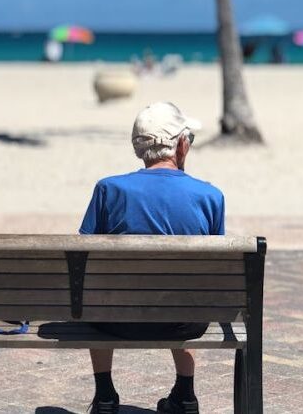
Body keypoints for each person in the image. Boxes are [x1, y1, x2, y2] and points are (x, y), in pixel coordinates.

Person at [80, 102, 225, 414]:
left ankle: (105, 395)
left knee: (97, 292)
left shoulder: (109, 189)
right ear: (182, 145)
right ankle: (185, 393)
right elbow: (215, 271)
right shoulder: (210, 197)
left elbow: (83, 255)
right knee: (187, 289)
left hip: (116, 322)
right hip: (185, 324)